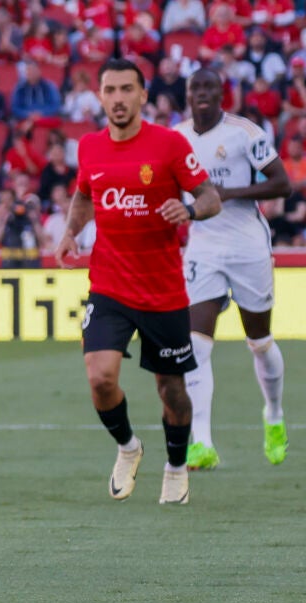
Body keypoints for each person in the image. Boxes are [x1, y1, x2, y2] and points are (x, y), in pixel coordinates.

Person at [55, 59, 222, 505]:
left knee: (172, 390)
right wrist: (71, 232)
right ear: (100, 96)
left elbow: (210, 197)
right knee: (100, 378)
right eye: (110, 90)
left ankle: (176, 467)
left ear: (143, 95)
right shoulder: (89, 146)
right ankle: (128, 447)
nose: (118, 98)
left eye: (127, 89)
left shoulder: (169, 144)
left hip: (163, 291)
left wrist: (189, 210)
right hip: (109, 284)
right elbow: (84, 195)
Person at [173, 68, 291, 469]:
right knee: (196, 344)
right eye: (196, 88)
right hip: (203, 247)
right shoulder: (176, 138)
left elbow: (282, 183)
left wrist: (228, 193)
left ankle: (273, 414)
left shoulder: (245, 133)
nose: (203, 93)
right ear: (188, 95)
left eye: (210, 87)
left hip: (247, 245)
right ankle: (202, 443)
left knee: (259, 341)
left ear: (222, 95)